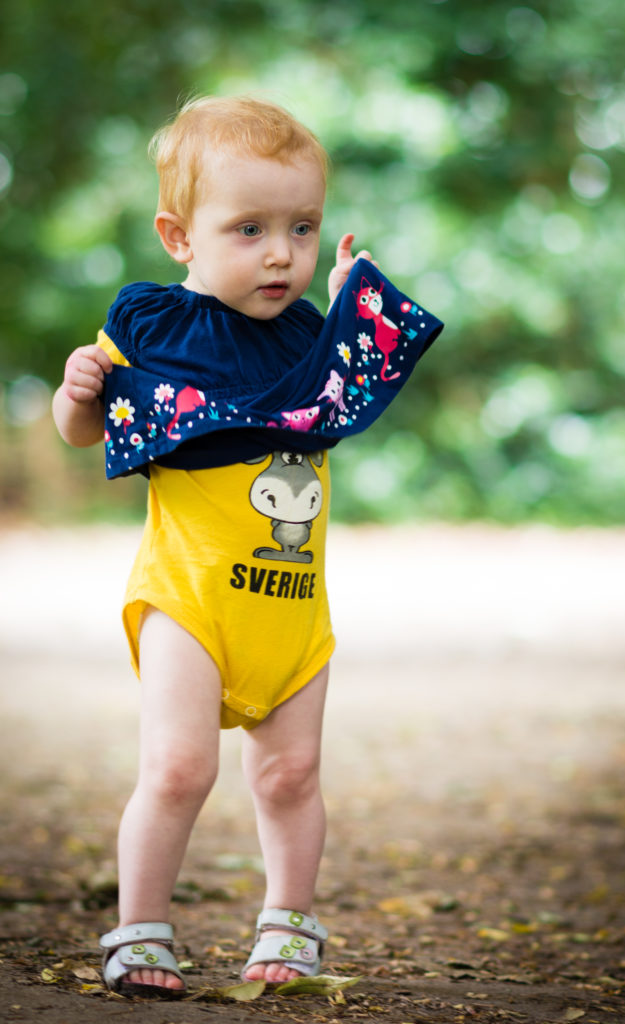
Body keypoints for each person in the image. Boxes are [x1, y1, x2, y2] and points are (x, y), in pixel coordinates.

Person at [52, 95, 442, 999]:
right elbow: (88, 431)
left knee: (292, 772)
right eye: (250, 229)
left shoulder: (308, 334)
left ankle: (289, 925)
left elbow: (347, 395)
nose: (281, 253)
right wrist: (76, 395)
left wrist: (352, 310)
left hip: (289, 605)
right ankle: (140, 929)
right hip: (188, 597)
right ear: (179, 236)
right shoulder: (152, 322)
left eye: (301, 228)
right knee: (179, 766)